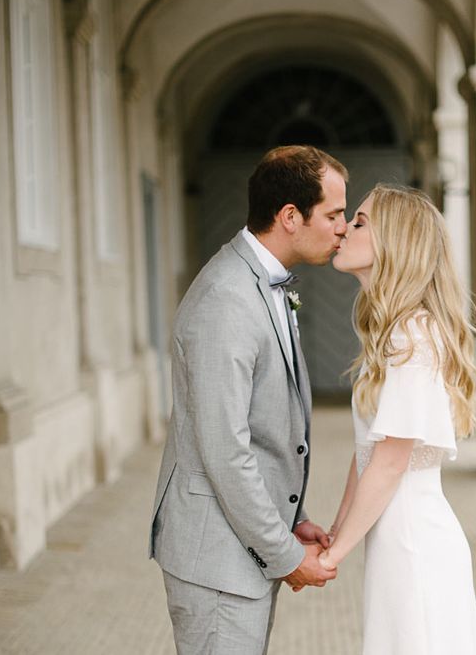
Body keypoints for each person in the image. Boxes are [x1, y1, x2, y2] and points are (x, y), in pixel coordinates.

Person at [148, 145, 348, 654]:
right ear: (289, 217)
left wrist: (293, 517)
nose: (342, 227)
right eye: (333, 214)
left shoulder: (264, 283)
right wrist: (285, 554)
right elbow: (226, 450)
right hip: (217, 561)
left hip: (241, 550)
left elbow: (265, 426)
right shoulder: (227, 299)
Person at [326, 184, 476, 654]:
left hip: (416, 544)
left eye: (360, 222)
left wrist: (333, 556)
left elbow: (391, 463)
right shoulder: (394, 330)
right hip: (395, 538)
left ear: (394, 242)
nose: (344, 229)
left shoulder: (413, 334)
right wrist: (334, 535)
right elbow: (368, 457)